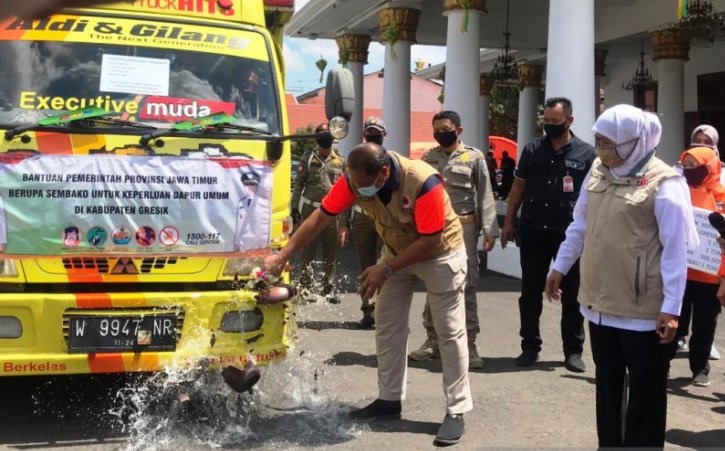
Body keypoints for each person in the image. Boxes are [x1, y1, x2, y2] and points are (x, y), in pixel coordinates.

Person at [264, 143, 472, 446]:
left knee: (449, 332)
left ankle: (456, 409)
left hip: (440, 255)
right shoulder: (353, 180)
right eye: (355, 185)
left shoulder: (423, 182)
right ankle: (388, 401)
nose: (357, 191)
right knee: (387, 326)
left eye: (363, 186)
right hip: (397, 251)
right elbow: (322, 216)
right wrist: (283, 256)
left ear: (384, 173)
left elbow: (431, 241)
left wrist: (384, 270)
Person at [545, 104, 698, 447]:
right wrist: (560, 267)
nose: (601, 148)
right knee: (608, 383)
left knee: (646, 392)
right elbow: (580, 224)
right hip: (599, 302)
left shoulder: (666, 182)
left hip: (643, 310)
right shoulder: (599, 170)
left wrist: (672, 308)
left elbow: (676, 251)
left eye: (608, 141)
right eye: (598, 140)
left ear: (633, 141)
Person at [501, 97, 596, 372]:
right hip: (533, 230)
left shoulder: (587, 154)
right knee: (530, 292)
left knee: (572, 294)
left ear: (570, 120)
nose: (550, 126)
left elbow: (593, 197)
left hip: (570, 235)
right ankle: (530, 346)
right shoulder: (532, 149)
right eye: (547, 121)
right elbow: (518, 187)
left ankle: (573, 351)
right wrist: (509, 222)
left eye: (556, 121)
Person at [410, 110, 497, 370]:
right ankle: (432, 340)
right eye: (436, 130)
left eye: (445, 129)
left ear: (458, 130)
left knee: (467, 282)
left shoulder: (474, 157)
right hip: (435, 229)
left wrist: (490, 229)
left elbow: (485, 194)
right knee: (434, 278)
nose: (440, 134)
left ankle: (469, 344)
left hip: (465, 226)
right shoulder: (429, 157)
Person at [673, 146, 724, 386]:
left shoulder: (721, 197)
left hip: (709, 274)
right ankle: (661, 361)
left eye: (695, 166)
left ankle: (700, 366)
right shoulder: (677, 191)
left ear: (710, 166)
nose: (689, 171)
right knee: (674, 318)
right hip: (679, 270)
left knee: (705, 323)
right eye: (686, 166)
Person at [291, 123, 346, 303]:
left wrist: (345, 220)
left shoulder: (340, 161)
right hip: (310, 209)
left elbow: (346, 189)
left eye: (327, 134)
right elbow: (298, 184)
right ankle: (305, 288)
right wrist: (294, 210)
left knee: (330, 250)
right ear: (316, 138)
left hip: (331, 212)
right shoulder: (308, 158)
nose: (325, 137)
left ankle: (328, 289)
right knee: (308, 248)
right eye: (321, 134)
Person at [342, 116, 385, 329]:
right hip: (361, 218)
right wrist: (343, 224)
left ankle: (384, 310)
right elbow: (345, 195)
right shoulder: (354, 160)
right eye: (370, 132)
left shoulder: (389, 160)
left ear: (384, 135)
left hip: (385, 219)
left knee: (386, 264)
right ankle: (368, 311)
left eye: (377, 133)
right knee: (366, 265)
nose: (373, 136)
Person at [235, 169, 270, 251]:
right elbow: (239, 224)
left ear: (256, 187)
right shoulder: (240, 203)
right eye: (247, 185)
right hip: (243, 245)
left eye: (252, 185)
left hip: (257, 245)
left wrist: (263, 245)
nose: (250, 187)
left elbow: (264, 225)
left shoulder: (264, 203)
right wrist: (237, 242)